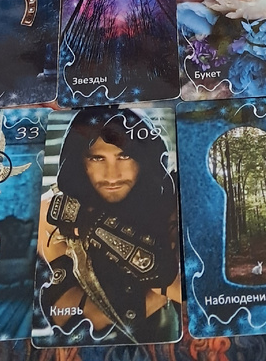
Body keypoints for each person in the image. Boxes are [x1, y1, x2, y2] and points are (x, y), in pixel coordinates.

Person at [36, 107, 181, 344]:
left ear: (143, 158)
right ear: (80, 161)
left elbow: (189, 289)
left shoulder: (169, 200)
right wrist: (160, 289)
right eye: (97, 158)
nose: (112, 175)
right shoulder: (52, 212)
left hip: (168, 342)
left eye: (125, 156)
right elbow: (72, 317)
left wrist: (96, 228)